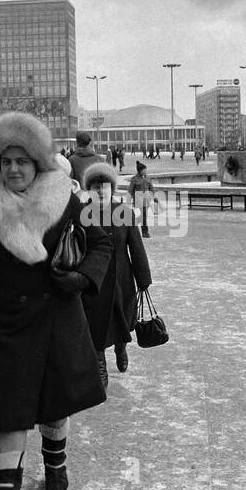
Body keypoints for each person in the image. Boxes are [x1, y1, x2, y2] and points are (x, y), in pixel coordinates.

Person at [0, 112, 112, 490]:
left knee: (53, 404)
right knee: (8, 414)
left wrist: (81, 279)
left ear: (39, 163)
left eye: (22, 161)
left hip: (56, 320)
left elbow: (101, 244)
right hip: (2, 327)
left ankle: (55, 463)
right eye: (6, 161)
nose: (14, 169)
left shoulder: (68, 200)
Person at [80, 164, 152, 383]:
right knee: (95, 323)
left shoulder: (124, 213)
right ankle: (99, 364)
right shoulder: (82, 214)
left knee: (121, 319)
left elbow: (136, 247)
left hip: (121, 278)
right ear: (88, 189)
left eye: (104, 187)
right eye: (95, 187)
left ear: (111, 188)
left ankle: (121, 349)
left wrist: (143, 279)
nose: (100, 191)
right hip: (93, 280)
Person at [128, 161, 155, 238]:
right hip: (138, 199)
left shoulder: (148, 178)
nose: (145, 171)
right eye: (144, 170)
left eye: (146, 169)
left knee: (143, 215)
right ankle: (144, 232)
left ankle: (132, 224)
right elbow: (130, 190)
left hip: (146, 199)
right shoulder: (134, 179)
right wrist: (129, 201)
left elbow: (151, 188)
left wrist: (152, 195)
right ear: (140, 171)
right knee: (144, 215)